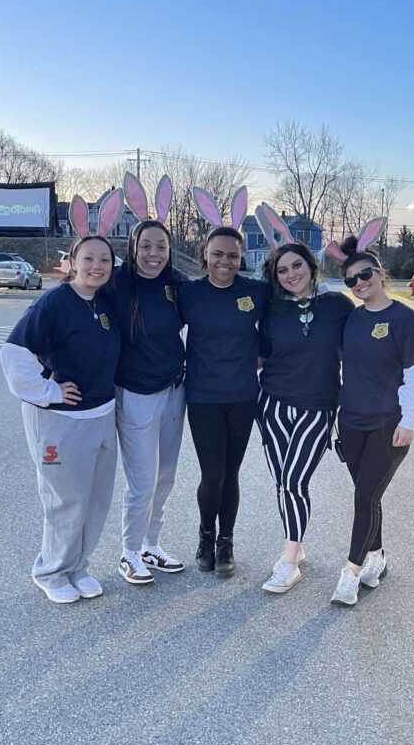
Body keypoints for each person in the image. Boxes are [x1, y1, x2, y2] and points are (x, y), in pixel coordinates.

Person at [0, 191, 123, 604]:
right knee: (66, 501)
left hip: (101, 414)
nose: (97, 266)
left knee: (96, 501)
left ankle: (78, 566)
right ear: (72, 261)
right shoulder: (53, 303)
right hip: (60, 420)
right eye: (88, 259)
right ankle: (51, 570)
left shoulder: (103, 300)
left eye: (104, 260)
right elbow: (13, 354)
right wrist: (50, 390)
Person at [326, 229, 414, 607]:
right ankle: (378, 558)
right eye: (351, 279)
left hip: (388, 425)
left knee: (365, 496)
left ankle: (350, 572)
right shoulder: (351, 320)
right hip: (351, 422)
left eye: (365, 275)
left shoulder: (406, 319)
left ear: (380, 273)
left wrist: (410, 421)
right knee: (367, 497)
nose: (358, 283)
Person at [254, 206, 353, 594]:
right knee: (283, 482)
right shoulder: (273, 309)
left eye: (297, 266)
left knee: (295, 479)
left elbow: (359, 353)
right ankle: (297, 544)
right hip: (273, 405)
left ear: (311, 266)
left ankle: (288, 562)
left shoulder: (337, 307)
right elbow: (258, 354)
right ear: (275, 277)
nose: (291, 274)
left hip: (318, 406)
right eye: (282, 270)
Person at [177, 185, 269, 577]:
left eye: (232, 255)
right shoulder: (189, 294)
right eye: (217, 254)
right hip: (202, 397)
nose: (225, 262)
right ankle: (204, 534)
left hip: (243, 396)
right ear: (205, 256)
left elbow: (286, 320)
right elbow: (156, 329)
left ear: (241, 257)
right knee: (211, 474)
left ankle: (226, 541)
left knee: (231, 474)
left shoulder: (256, 292)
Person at [111, 172, 187, 587]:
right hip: (136, 394)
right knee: (141, 481)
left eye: (161, 246)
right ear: (134, 247)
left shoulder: (177, 284)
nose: (154, 254)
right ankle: (127, 551)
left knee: (166, 476)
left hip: (175, 390)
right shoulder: (117, 283)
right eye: (146, 246)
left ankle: (149, 545)